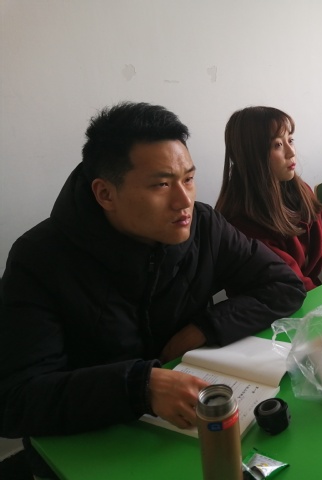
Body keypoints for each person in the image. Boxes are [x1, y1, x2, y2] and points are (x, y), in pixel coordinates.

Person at [0, 102, 306, 476]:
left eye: (188, 179)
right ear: (105, 194)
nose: (184, 201)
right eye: (162, 184)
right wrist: (138, 386)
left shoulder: (203, 225)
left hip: (188, 433)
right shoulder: (40, 259)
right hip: (94, 450)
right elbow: (14, 400)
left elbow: (284, 285)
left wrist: (204, 328)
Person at [215, 106, 322, 291]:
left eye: (290, 140)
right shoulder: (241, 222)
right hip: (283, 305)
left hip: (309, 294)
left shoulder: (299, 190)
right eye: (277, 145)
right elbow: (291, 283)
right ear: (252, 154)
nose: (291, 152)